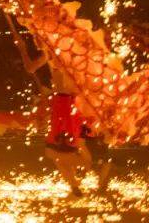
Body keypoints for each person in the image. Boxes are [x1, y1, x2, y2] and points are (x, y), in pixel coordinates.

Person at [15, 37, 104, 196]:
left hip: (67, 104)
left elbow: (31, 68)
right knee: (59, 153)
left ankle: (93, 166)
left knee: (56, 152)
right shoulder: (54, 51)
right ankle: (74, 186)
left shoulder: (64, 51)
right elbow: (30, 68)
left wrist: (22, 49)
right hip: (63, 103)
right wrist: (22, 48)